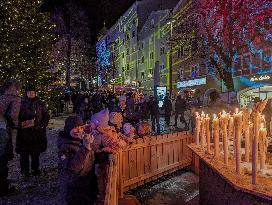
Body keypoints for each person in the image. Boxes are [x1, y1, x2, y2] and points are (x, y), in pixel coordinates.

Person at [90, 109, 127, 205]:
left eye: (92, 122)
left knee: (102, 183)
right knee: (99, 182)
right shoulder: (95, 132)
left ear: (98, 124)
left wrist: (104, 150)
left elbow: (117, 145)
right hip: (96, 162)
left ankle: (102, 199)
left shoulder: (104, 134)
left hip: (101, 163)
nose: (90, 123)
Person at [58, 116, 96, 205]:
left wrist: (107, 155)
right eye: (75, 128)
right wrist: (86, 147)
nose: (79, 130)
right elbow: (73, 168)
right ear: (68, 129)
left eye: (81, 127)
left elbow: (92, 157)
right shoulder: (64, 148)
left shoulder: (80, 141)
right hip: (73, 190)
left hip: (85, 186)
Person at [16, 85, 50, 176]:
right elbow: (15, 117)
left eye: (32, 92)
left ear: (35, 93)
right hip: (24, 133)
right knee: (24, 153)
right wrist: (21, 124)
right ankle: (25, 170)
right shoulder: (21, 103)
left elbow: (46, 115)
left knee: (36, 152)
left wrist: (42, 125)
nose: (30, 94)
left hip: (37, 132)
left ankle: (35, 169)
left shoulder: (40, 103)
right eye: (29, 92)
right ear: (26, 93)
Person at [0, 79, 21, 196]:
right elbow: (13, 116)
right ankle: (3, 188)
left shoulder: (1, 96)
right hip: (2, 130)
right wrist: (16, 125)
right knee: (2, 159)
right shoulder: (15, 99)